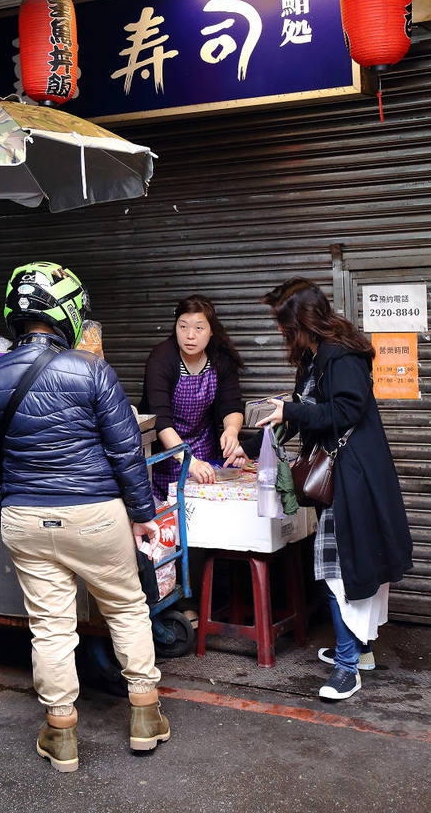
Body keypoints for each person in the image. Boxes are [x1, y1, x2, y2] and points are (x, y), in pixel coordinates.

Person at [0, 261, 170, 773]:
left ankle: (60, 735)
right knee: (126, 609)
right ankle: (145, 716)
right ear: (69, 313)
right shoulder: (91, 369)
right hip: (95, 515)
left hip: (25, 518)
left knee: (50, 627)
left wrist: (6, 515)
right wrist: (142, 514)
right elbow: (126, 451)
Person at [226, 277, 414, 701]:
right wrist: (248, 448)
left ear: (303, 321)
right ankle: (359, 652)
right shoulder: (313, 356)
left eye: (284, 323)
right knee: (350, 567)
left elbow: (346, 410)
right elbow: (299, 416)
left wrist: (290, 411)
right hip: (340, 477)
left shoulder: (340, 354)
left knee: (339, 571)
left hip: (355, 478)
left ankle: (348, 669)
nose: (280, 331)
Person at [140, 294, 245, 500]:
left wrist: (232, 431)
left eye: (199, 328)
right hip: (166, 454)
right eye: (183, 327)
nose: (190, 336)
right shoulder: (162, 358)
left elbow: (231, 405)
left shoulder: (220, 359)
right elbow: (161, 420)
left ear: (211, 330)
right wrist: (188, 461)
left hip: (205, 451)